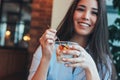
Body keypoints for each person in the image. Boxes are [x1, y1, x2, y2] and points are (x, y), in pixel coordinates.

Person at [28, 0, 117, 80]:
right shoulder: (46, 49)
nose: (86, 16)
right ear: (72, 13)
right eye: (81, 9)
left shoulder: (103, 61)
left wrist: (90, 67)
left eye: (94, 13)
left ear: (100, 20)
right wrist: (45, 59)